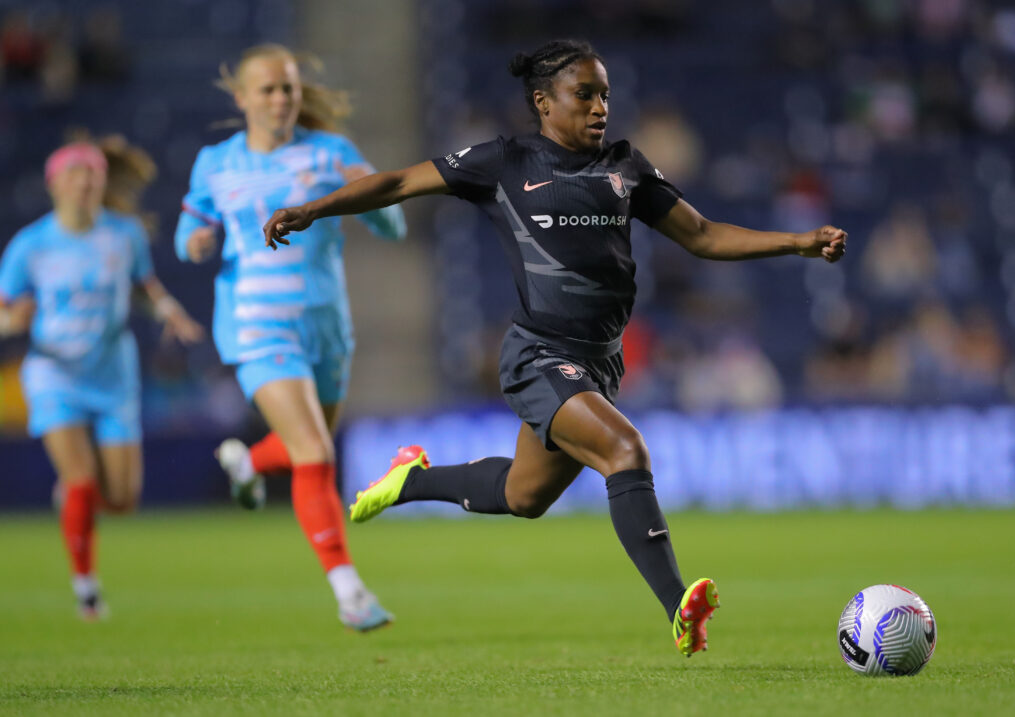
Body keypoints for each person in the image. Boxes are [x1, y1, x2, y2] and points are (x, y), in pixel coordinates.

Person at [262, 39, 848, 657]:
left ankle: (411, 481)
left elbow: (702, 236)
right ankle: (679, 605)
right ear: (543, 103)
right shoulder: (504, 162)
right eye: (584, 95)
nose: (600, 108)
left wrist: (799, 241)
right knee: (625, 450)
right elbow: (399, 182)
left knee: (524, 495)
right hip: (539, 353)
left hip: (600, 358)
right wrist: (313, 210)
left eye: (605, 96)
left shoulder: (627, 168)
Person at [174, 44, 406, 631]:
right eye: (269, 89)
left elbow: (395, 226)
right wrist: (195, 242)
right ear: (243, 98)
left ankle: (249, 463)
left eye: (289, 89)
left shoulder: (331, 153)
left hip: (326, 325)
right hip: (256, 323)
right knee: (315, 454)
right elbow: (189, 230)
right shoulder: (216, 162)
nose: (280, 99)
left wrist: (373, 198)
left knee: (309, 448)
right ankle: (349, 592)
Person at [0, 137, 203, 620]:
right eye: (75, 174)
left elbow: (143, 286)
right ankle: (87, 588)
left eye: (92, 174)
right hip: (55, 375)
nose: (85, 183)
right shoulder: (31, 244)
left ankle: (72, 498)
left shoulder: (124, 234)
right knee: (81, 479)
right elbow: (5, 312)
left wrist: (168, 309)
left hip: (113, 375)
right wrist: (14, 323)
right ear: (54, 184)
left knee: (123, 499)